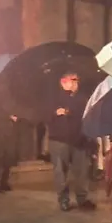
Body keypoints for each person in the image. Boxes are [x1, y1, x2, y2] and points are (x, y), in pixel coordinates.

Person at [44, 72, 96, 211]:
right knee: (61, 172)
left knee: (82, 171)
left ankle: (82, 198)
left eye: (76, 80)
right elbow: (45, 115)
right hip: (59, 140)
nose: (74, 83)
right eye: (71, 80)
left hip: (80, 140)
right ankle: (63, 199)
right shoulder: (53, 98)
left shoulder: (83, 98)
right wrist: (55, 113)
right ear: (62, 81)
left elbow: (86, 114)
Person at [0, 81, 21, 193]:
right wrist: (9, 116)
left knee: (8, 156)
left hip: (8, 131)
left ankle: (3, 181)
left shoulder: (9, 96)